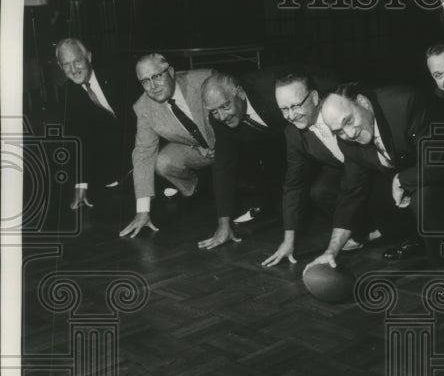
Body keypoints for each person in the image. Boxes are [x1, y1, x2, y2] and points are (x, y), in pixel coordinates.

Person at [307, 84, 444, 270]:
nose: (350, 134)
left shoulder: (404, 104)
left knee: (423, 198)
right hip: (418, 174)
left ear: (362, 102)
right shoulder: (347, 143)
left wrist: (402, 180)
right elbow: (351, 193)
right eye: (340, 131)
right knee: (372, 190)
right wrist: (331, 251)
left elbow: (440, 160)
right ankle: (415, 237)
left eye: (349, 121)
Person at [261, 72, 367, 267]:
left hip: (375, 164)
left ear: (315, 98)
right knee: (320, 191)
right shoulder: (293, 132)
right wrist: (288, 240)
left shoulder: (341, 106)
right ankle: (361, 232)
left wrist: (332, 249)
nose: (291, 116)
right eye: (284, 109)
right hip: (343, 166)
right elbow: (294, 183)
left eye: (295, 106)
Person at [119, 54, 216, 239]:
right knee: (162, 162)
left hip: (230, 143)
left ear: (170, 72)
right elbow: (143, 153)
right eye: (145, 81)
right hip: (198, 149)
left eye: (157, 76)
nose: (153, 87)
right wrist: (142, 212)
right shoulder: (143, 107)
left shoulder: (204, 80)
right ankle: (197, 190)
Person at [199, 70, 286, 251]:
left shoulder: (271, 91)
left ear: (238, 92)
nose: (222, 117)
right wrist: (224, 224)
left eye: (225, 106)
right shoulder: (218, 120)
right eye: (214, 111)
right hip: (272, 142)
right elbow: (223, 166)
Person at [54, 37, 130, 209]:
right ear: (60, 67)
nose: (73, 69)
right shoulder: (67, 93)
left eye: (77, 61)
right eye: (66, 64)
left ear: (89, 57)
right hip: (116, 146)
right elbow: (77, 137)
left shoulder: (117, 72)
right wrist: (80, 185)